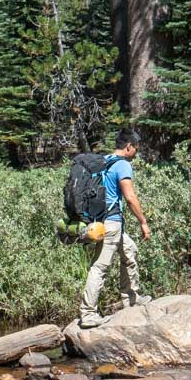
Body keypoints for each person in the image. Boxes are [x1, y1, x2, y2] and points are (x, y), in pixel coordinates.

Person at [78, 129, 152, 329]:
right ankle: (88, 314)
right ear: (129, 147)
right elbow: (130, 197)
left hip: (100, 221)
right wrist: (143, 222)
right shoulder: (121, 164)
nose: (136, 152)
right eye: (135, 148)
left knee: (130, 251)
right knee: (100, 267)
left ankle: (131, 298)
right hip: (111, 222)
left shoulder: (103, 161)